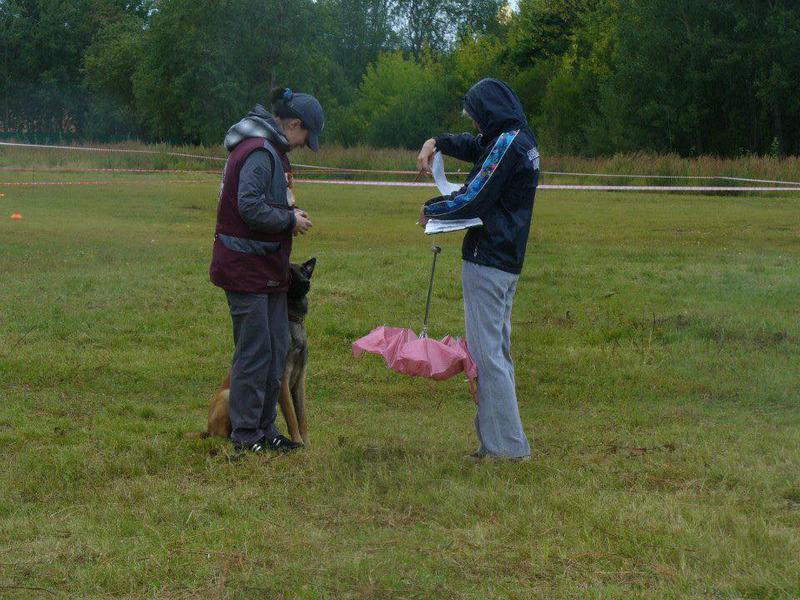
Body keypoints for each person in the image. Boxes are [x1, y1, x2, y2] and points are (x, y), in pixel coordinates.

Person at [416, 78, 540, 461]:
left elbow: (476, 196)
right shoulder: (515, 137)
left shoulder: (507, 144)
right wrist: (438, 141)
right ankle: (497, 444)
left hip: (489, 261)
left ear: (488, 112)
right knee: (494, 354)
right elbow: (475, 147)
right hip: (504, 260)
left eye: (475, 118)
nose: (474, 126)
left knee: (487, 358)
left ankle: (508, 449)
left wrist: (432, 209)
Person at [209, 88, 324, 453]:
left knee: (275, 348)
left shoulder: (271, 151)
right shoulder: (259, 151)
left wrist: (287, 214)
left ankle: (266, 429)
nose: (305, 145)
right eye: (307, 136)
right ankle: (246, 436)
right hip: (246, 268)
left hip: (267, 268)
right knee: (254, 351)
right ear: (293, 124)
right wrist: (288, 218)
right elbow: (248, 206)